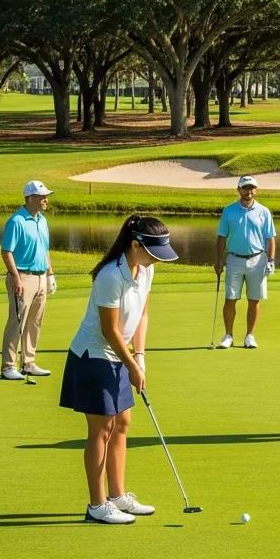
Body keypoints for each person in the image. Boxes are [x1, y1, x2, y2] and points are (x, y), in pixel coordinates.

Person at [59, 215, 179, 524]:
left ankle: (118, 496)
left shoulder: (145, 271)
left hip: (121, 354)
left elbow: (142, 315)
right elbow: (110, 330)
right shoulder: (110, 276)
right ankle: (97, 505)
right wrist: (132, 365)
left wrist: (140, 355)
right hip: (94, 356)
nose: (157, 260)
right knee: (101, 429)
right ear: (135, 245)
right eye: (153, 253)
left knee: (122, 424)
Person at [0, 180, 57, 381]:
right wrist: (15, 277)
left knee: (35, 322)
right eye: (42, 197)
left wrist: (50, 275)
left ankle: (28, 363)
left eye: (46, 197)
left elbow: (45, 250)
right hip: (23, 276)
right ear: (30, 198)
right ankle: (8, 366)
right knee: (18, 321)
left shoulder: (42, 220)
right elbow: (6, 252)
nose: (46, 200)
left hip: (41, 276)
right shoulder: (16, 221)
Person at [214, 175, 277, 349]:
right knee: (230, 299)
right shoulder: (229, 211)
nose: (248, 192)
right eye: (245, 188)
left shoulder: (264, 211)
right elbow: (221, 237)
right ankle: (228, 336)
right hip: (234, 259)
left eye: (251, 188)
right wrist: (218, 260)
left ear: (255, 190)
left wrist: (270, 261)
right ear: (239, 189)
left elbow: (270, 238)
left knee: (254, 300)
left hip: (258, 260)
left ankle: (250, 336)